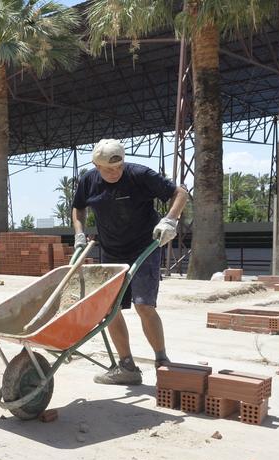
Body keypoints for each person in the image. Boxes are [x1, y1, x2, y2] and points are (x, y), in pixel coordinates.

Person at [70, 138, 190, 385]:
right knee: (110, 310)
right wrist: (79, 233)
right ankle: (127, 367)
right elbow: (78, 207)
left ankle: (162, 362)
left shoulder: (139, 174)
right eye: (108, 169)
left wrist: (170, 220)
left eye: (119, 166)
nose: (115, 172)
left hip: (145, 247)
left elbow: (180, 193)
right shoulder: (89, 180)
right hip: (112, 251)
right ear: (96, 165)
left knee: (144, 306)